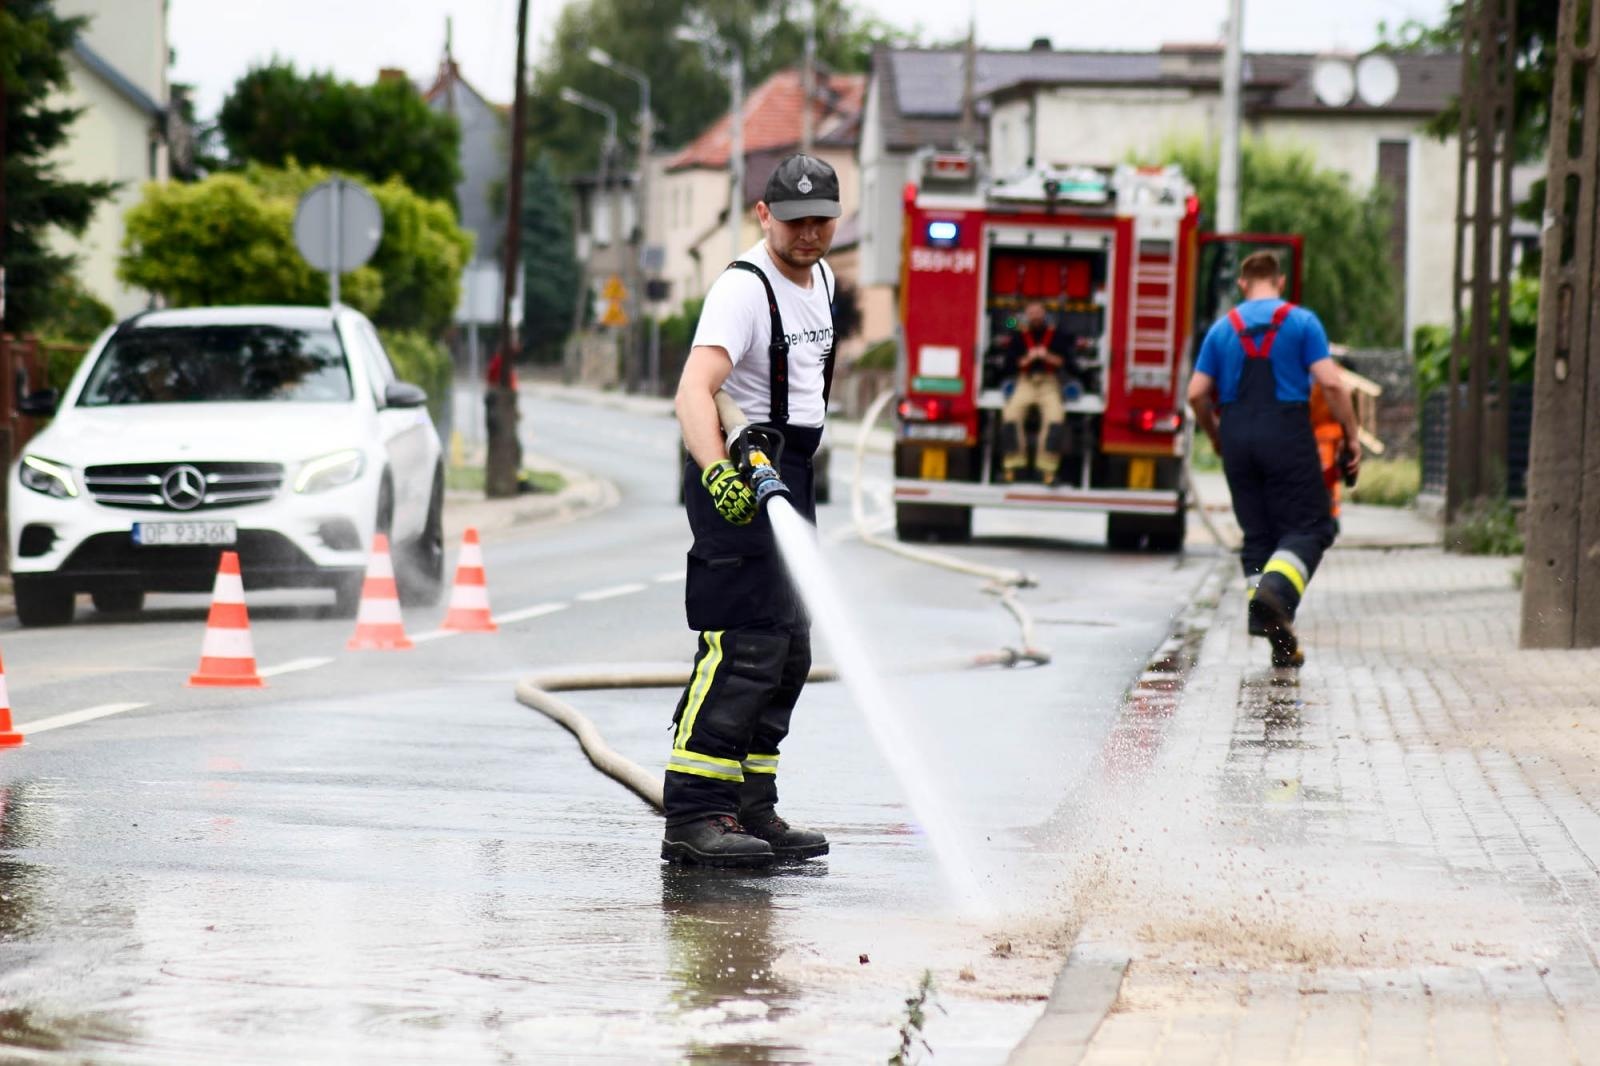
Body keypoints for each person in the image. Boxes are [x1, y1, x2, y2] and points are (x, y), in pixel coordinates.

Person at [662, 154, 841, 868]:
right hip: (737, 473)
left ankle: (749, 805)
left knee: (790, 645)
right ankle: (694, 812)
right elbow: (692, 392)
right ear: (764, 215)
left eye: (822, 219)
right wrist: (718, 477)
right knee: (742, 643)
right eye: (794, 221)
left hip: (790, 474)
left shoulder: (823, 276)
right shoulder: (743, 289)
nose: (809, 233)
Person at [1186, 251, 1360, 668]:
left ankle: (1274, 632)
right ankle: (1275, 596)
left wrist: (1215, 438)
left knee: (1259, 536)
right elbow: (1332, 385)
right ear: (1279, 282)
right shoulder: (1301, 322)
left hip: (1236, 435)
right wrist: (1352, 438)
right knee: (1312, 526)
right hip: (1286, 432)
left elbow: (1195, 393)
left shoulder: (1221, 329)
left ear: (1243, 284)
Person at [1000, 301, 1077, 484]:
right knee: (1010, 415)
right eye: (1031, 312)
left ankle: (1047, 471)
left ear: (1044, 313)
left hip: (1049, 384)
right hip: (1025, 382)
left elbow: (1066, 362)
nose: (1035, 316)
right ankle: (1013, 467)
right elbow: (1010, 362)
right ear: (1026, 314)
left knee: (1055, 419)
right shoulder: (1017, 333)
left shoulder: (1057, 335)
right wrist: (1029, 357)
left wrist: (1046, 355)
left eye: (1038, 312)